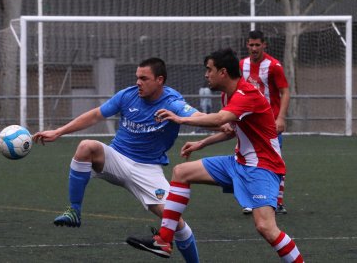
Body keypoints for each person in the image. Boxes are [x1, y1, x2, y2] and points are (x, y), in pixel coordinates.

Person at [126, 48, 304, 262]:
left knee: (266, 227)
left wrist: (181, 119)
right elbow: (229, 129)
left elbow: (219, 120)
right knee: (182, 171)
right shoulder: (227, 94)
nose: (206, 74)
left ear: (223, 72)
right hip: (238, 163)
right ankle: (164, 240)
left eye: (209, 70)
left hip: (262, 168)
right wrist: (201, 143)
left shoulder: (246, 94)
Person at [32, 57, 201, 263]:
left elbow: (197, 116)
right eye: (137, 77)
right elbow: (95, 115)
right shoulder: (127, 95)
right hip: (116, 158)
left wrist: (223, 124)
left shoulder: (173, 102)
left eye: (144, 78)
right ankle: (74, 210)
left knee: (175, 221)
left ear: (159, 80)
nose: (138, 82)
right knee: (86, 146)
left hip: (147, 169)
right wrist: (58, 132)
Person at [240, 30, 290, 215]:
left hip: (270, 123)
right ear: (247, 45)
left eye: (257, 45)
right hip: (248, 123)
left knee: (274, 160)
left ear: (264, 45)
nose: (254, 48)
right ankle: (249, 201)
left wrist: (281, 117)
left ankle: (277, 201)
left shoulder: (274, 66)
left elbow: (285, 92)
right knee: (245, 159)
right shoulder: (241, 65)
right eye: (250, 45)